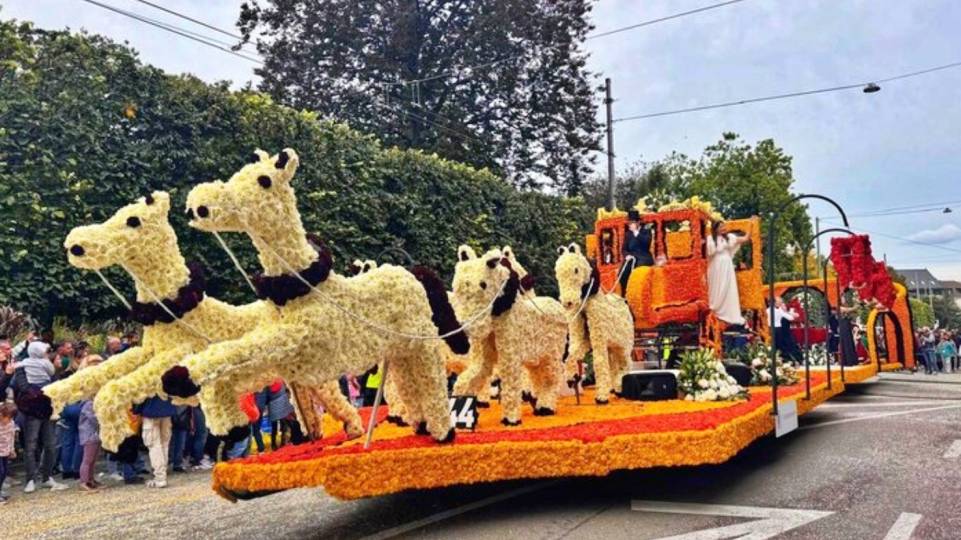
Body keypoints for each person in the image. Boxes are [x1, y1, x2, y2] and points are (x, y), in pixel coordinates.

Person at [706, 221, 748, 326]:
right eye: (720, 226)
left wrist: (751, 225)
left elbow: (745, 238)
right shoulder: (710, 239)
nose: (723, 228)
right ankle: (715, 309)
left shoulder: (729, 237)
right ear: (715, 229)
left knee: (728, 288)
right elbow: (708, 254)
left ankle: (730, 314)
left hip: (727, 265)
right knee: (716, 286)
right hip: (716, 265)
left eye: (723, 226)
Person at [77, 354, 105, 492]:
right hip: (89, 432)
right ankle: (84, 481)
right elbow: (92, 417)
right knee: (88, 459)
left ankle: (91, 479)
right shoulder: (88, 403)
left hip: (96, 431)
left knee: (93, 458)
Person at [135, 394, 176, 488]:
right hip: (167, 410)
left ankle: (160, 478)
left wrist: (136, 409)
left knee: (154, 445)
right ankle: (162, 475)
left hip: (150, 411)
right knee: (164, 445)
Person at [620, 209, 654, 292]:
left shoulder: (646, 231)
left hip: (644, 257)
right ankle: (626, 294)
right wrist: (627, 255)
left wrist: (636, 232)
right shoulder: (628, 234)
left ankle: (639, 292)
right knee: (622, 273)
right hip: (632, 258)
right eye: (629, 223)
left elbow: (646, 243)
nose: (630, 225)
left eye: (632, 223)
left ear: (638, 223)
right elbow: (624, 249)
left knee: (638, 273)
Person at [770, 297, 800, 363]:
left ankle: (792, 361)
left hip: (784, 333)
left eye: (783, 304)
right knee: (782, 348)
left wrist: (788, 312)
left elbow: (795, 316)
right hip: (780, 333)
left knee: (786, 347)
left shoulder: (783, 312)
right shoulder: (778, 311)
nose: (783, 306)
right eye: (781, 304)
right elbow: (791, 318)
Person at [0, 402, 17, 504]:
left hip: (5, 451)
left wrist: (12, 449)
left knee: (5, 471)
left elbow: (12, 437)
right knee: (0, 471)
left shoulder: (11, 424)